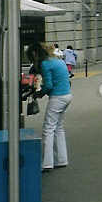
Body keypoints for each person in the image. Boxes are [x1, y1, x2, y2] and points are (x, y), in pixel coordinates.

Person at [35, 42, 72, 172]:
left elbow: (49, 85)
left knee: (48, 129)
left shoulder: (46, 64)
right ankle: (62, 159)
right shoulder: (58, 60)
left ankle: (47, 163)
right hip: (67, 95)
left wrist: (40, 93)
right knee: (58, 127)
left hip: (57, 97)